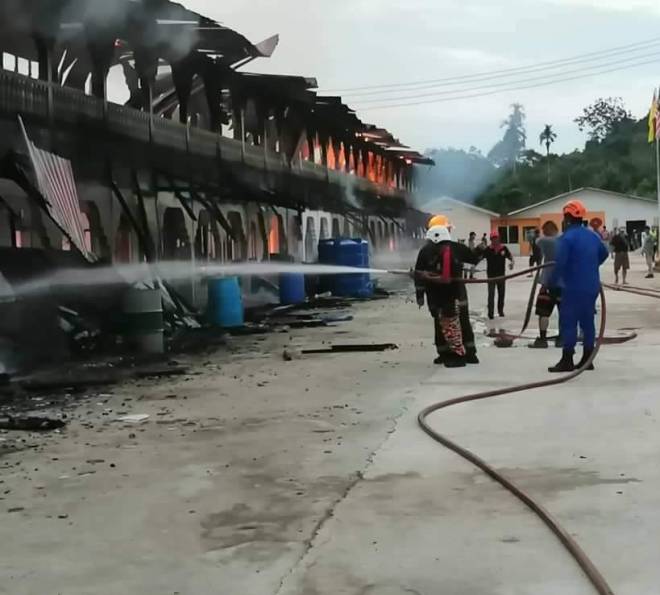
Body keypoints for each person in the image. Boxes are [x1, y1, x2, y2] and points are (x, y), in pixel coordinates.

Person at [548, 199, 608, 373]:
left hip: (573, 287)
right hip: (591, 287)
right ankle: (588, 359)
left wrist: (551, 285)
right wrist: (589, 266)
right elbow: (604, 254)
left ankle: (567, 359)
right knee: (587, 322)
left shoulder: (566, 238)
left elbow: (559, 264)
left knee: (569, 322)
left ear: (566, 218)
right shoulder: (593, 236)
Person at [415, 223, 480, 367]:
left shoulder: (428, 250)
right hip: (457, 293)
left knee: (444, 324)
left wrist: (420, 294)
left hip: (440, 295)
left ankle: (450, 354)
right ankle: (468, 353)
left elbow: (419, 274)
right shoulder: (457, 248)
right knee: (460, 322)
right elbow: (475, 258)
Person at [530, 221, 560, 349]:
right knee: (563, 311)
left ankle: (542, 339)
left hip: (547, 283)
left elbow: (537, 241)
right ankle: (562, 338)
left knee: (543, 312)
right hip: (563, 283)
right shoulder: (564, 241)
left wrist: (536, 234)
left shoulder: (545, 241)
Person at [481, 231, 514, 320]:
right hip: (491, 276)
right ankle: (490, 313)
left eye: (496, 238)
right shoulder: (488, 249)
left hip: (501, 276)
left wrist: (512, 263)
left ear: (499, 238)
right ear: (491, 239)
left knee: (501, 294)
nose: (495, 240)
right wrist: (473, 265)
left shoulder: (503, 248)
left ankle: (500, 311)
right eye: (493, 238)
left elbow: (510, 257)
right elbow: (480, 258)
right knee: (491, 295)